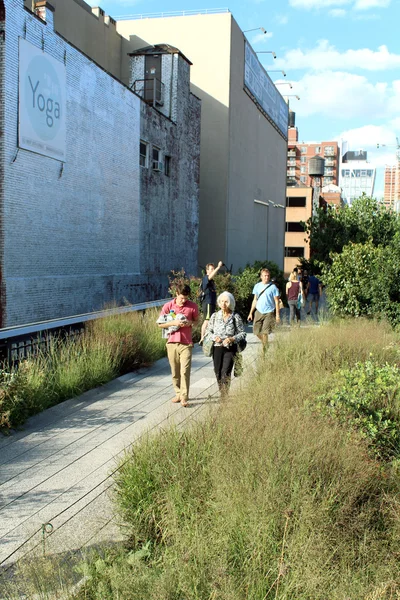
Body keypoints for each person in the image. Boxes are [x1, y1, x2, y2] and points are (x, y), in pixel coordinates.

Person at [157, 284, 198, 407]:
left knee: (185, 370)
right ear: (176, 294)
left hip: (186, 343)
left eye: (186, 298)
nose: (183, 300)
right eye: (181, 298)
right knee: (175, 371)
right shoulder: (168, 306)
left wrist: (189, 323)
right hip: (172, 342)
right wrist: (173, 322)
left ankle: (184, 397)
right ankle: (178, 393)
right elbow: (159, 324)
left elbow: (197, 322)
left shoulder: (193, 306)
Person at [206, 291, 246, 395]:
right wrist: (215, 337)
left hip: (230, 348)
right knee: (218, 372)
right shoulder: (214, 316)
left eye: (226, 302)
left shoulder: (235, 316)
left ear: (231, 303)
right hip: (217, 348)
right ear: (219, 303)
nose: (224, 304)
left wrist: (232, 339)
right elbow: (208, 332)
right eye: (222, 301)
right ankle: (222, 392)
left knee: (226, 372)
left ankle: (224, 396)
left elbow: (242, 333)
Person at [247, 268, 280, 350]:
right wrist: (251, 313)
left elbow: (276, 301)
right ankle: (265, 343)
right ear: (261, 276)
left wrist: (277, 315)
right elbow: (255, 300)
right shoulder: (257, 286)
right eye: (265, 276)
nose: (267, 277)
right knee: (256, 332)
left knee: (265, 332)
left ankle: (264, 351)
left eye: (268, 276)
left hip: (269, 312)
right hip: (259, 311)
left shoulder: (273, 287)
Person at [200, 260, 224, 343]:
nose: (213, 270)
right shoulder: (206, 278)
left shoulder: (212, 281)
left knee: (210, 320)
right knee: (207, 320)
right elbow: (210, 276)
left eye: (213, 269)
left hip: (212, 303)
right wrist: (218, 267)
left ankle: (208, 337)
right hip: (208, 303)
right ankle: (202, 338)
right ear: (207, 270)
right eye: (211, 269)